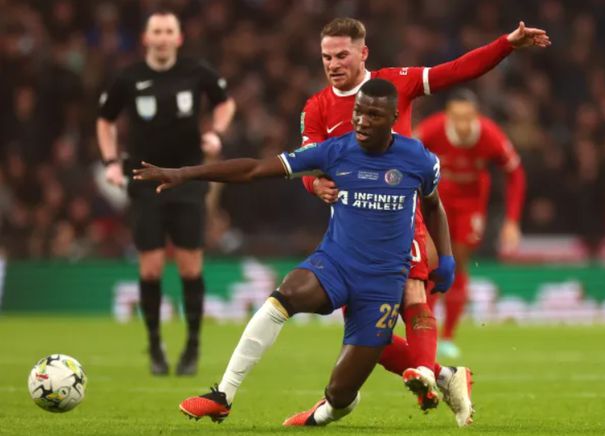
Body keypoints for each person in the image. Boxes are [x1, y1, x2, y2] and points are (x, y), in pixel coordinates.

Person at [133, 79, 462, 427]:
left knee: (339, 393)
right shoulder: (334, 151)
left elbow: (433, 206)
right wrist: (185, 174)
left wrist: (446, 256)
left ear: (394, 117)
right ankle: (223, 395)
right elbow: (255, 169)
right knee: (285, 294)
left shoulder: (419, 159)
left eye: (374, 115)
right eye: (358, 112)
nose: (362, 121)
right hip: (336, 264)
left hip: (382, 285)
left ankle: (327, 411)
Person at [300, 17, 549, 419]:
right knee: (371, 339)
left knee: (414, 295)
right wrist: (314, 185)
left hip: (402, 220)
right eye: (327, 56)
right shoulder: (317, 106)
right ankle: (444, 374)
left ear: (363, 53)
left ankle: (426, 370)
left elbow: (457, 70)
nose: (333, 63)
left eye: (341, 54)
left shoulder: (399, 82)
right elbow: (303, 164)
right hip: (350, 234)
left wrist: (506, 44)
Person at [96, 10, 236, 376]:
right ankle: (156, 345)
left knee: (190, 266)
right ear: (146, 38)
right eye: (156, 31)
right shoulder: (128, 77)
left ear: (178, 37)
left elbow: (225, 102)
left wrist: (216, 133)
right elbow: (105, 120)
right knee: (151, 267)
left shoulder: (196, 71)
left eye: (168, 31)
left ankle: (192, 346)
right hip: (144, 179)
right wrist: (110, 161)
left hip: (188, 178)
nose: (161, 37)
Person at [415, 89, 526, 358]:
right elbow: (403, 154)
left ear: (476, 115)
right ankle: (426, 330)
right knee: (431, 261)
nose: (463, 124)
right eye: (457, 118)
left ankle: (448, 336)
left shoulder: (490, 135)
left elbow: (515, 173)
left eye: (467, 117)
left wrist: (512, 221)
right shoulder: (431, 129)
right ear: (448, 116)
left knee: (458, 261)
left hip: (471, 203)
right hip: (437, 199)